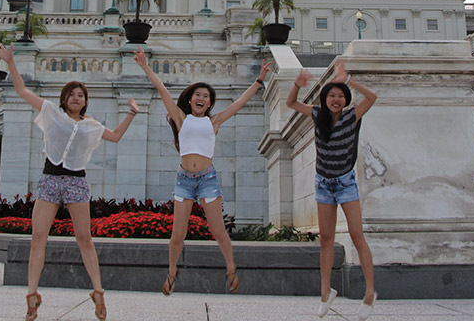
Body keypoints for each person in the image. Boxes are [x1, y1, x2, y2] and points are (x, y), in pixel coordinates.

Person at [0, 43, 141, 321]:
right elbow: (23, 91)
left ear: (86, 101)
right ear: (64, 99)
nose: (76, 98)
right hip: (50, 180)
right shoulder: (52, 112)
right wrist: (10, 62)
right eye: (72, 94)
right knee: (39, 238)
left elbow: (115, 136)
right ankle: (32, 295)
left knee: (84, 238)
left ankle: (98, 292)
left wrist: (132, 113)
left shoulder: (92, 126)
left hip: (76, 183)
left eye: (81, 95)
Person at [133, 47, 271, 295]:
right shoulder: (180, 118)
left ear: (209, 103)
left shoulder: (214, 121)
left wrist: (259, 79)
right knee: (178, 234)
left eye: (206, 96)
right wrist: (144, 66)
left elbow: (240, 103)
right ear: (190, 99)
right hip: (184, 180)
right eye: (198, 94)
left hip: (207, 179)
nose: (201, 98)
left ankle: (231, 269)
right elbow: (162, 90)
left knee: (218, 231)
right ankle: (172, 274)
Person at [286, 61, 377, 320]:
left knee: (357, 236)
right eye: (331, 96)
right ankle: (325, 292)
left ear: (345, 99)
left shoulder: (352, 116)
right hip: (323, 184)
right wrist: (297, 83)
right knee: (325, 240)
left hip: (346, 183)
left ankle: (370, 292)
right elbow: (291, 103)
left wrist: (348, 80)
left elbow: (372, 97)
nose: (335, 100)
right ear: (324, 99)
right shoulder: (317, 115)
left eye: (339, 96)